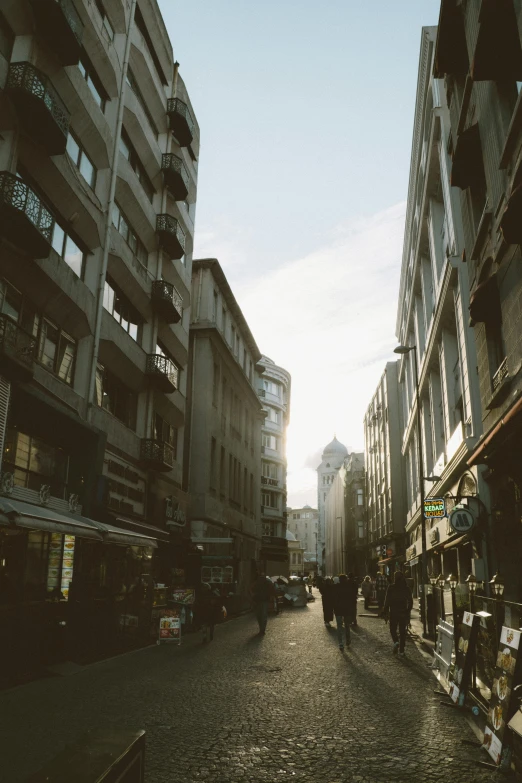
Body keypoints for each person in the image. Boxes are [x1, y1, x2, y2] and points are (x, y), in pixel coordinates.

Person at [383, 571, 413, 658]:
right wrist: (408, 610)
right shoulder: (406, 588)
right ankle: (402, 650)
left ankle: (396, 641)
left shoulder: (391, 587)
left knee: (392, 629)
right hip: (403, 612)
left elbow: (387, 600)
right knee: (402, 631)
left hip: (394, 611)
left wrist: (385, 610)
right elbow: (410, 601)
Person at [333, 574, 357, 650]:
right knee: (347, 626)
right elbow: (353, 598)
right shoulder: (349, 587)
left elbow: (334, 599)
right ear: (346, 579)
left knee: (339, 626)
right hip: (347, 609)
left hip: (338, 609)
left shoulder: (336, 587)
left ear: (339, 580)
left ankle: (340, 643)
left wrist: (334, 608)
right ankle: (348, 640)